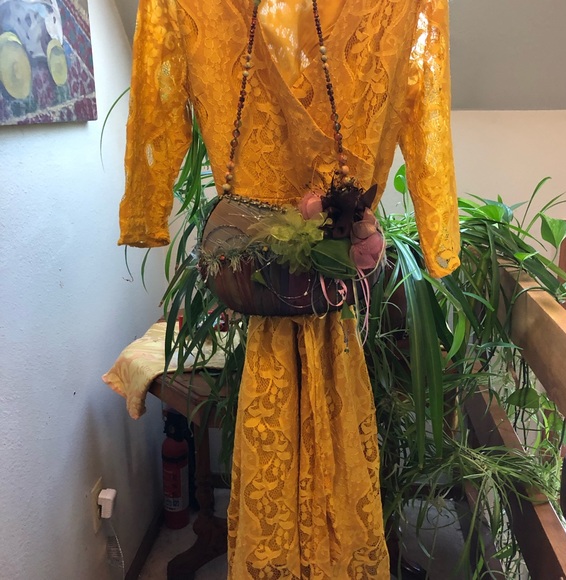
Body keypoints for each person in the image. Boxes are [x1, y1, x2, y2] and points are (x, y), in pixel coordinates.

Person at [119, 1, 460, 577]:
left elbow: (426, 105)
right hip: (291, 295)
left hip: (309, 300)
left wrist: (438, 231)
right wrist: (145, 208)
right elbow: (158, 95)